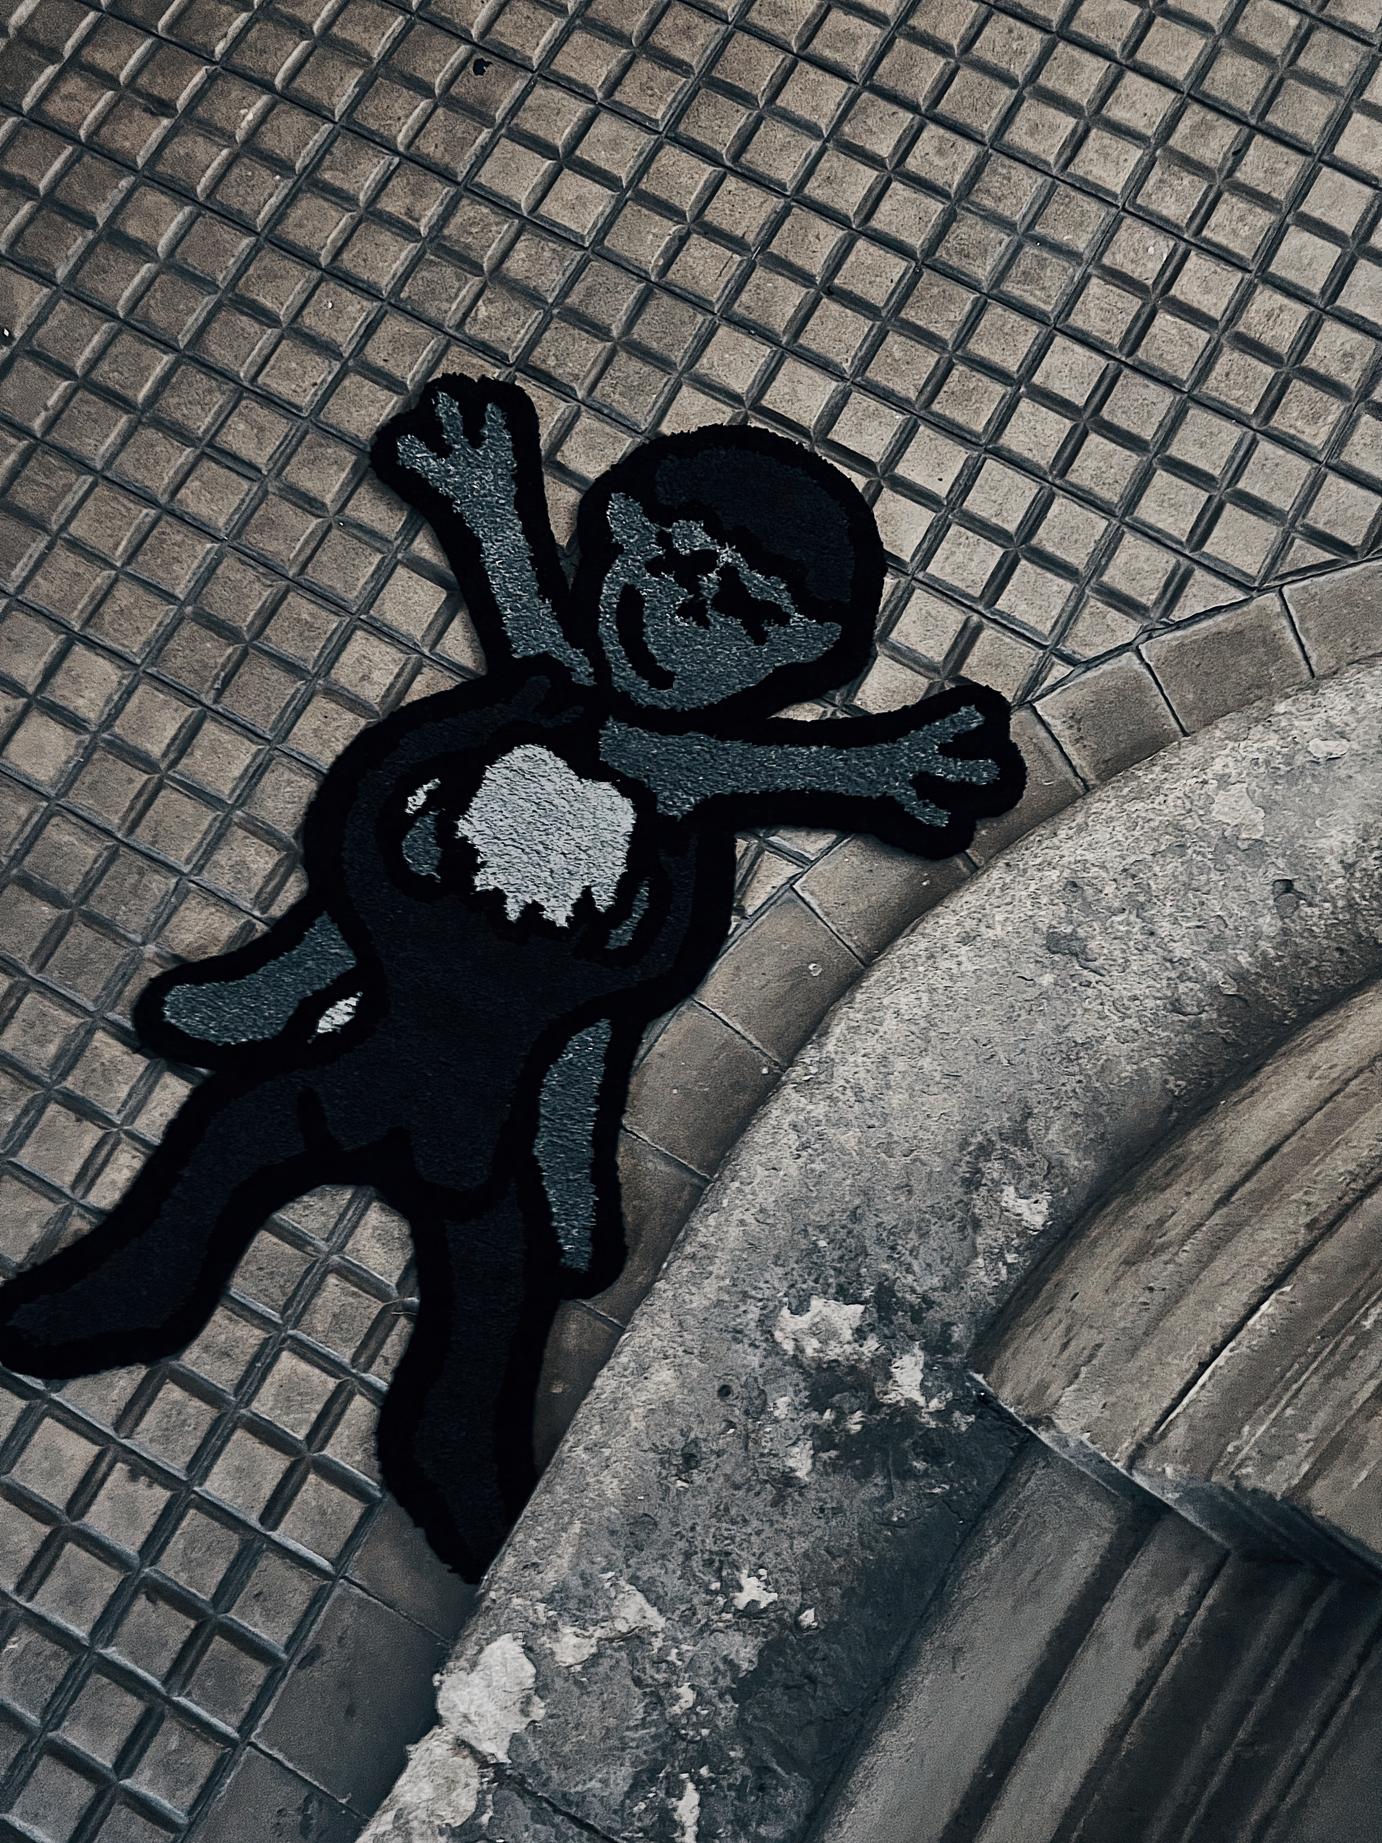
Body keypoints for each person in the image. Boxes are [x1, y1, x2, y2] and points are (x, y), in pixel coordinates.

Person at [0, 378, 1025, 1578]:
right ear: (620, 540)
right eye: (672, 569)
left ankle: (460, 1444)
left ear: (791, 654)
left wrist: (874, 767)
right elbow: (551, 644)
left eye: (740, 614)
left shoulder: (668, 763)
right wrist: (489, 506)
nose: (680, 619)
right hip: (372, 1008)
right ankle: (144, 1259)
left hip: (500, 1085)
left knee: (497, 1256)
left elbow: (698, 780)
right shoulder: (564, 702)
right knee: (250, 1121)